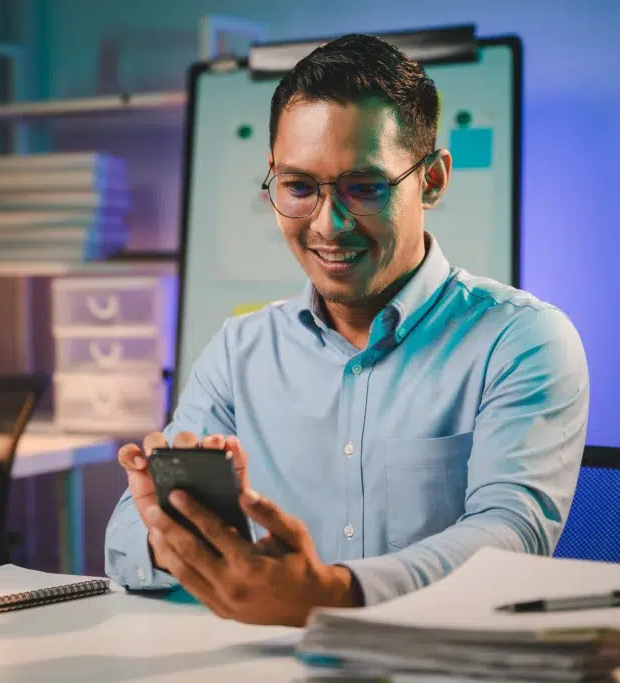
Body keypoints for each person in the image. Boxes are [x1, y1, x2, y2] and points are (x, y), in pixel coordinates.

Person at [104, 33, 590, 627]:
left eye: (364, 188)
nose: (328, 226)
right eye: (299, 187)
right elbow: (126, 534)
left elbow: (511, 536)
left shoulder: (521, 341)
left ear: (432, 181)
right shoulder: (241, 350)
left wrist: (330, 593)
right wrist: (182, 529)